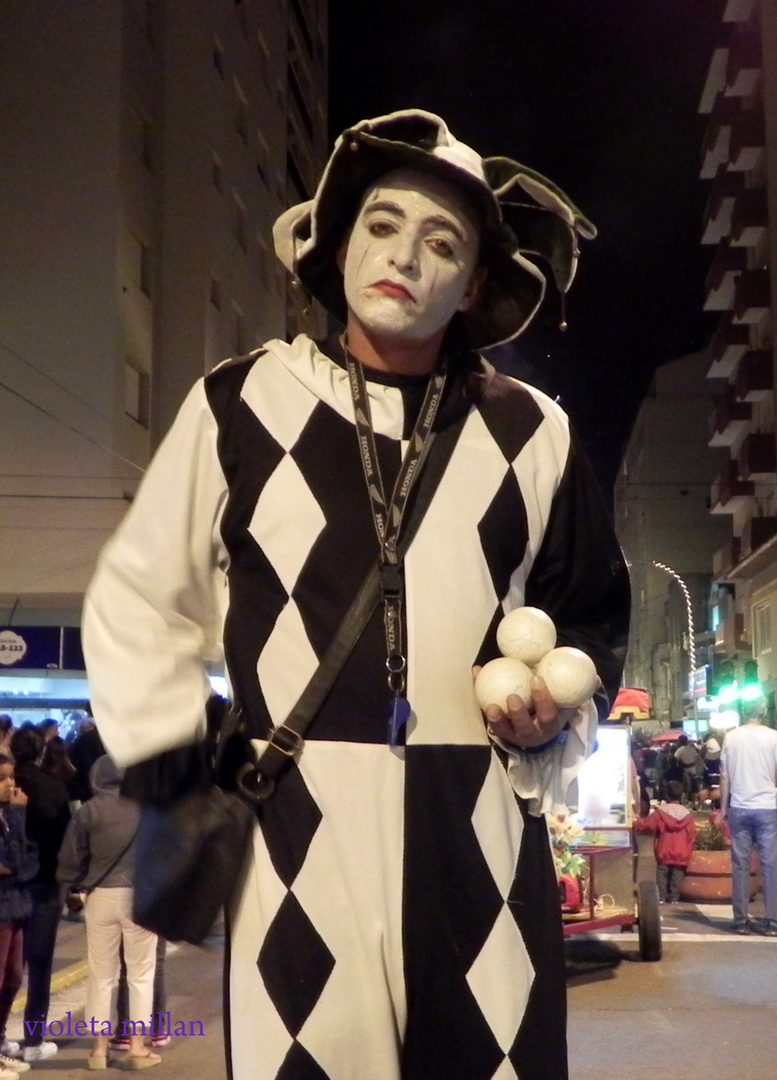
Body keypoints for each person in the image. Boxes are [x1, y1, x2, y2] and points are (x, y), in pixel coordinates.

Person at [82, 110, 630, 1080]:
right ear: (337, 243)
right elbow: (137, 600)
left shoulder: (533, 430)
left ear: (474, 290)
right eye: (383, 226)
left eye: (443, 243)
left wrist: (556, 709)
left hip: (483, 820)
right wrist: (176, 778)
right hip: (300, 818)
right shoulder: (239, 403)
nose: (405, 259)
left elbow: (589, 605)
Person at [57, 756, 160, 1069]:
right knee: (141, 974)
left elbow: (70, 857)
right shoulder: (146, 808)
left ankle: (98, 1051)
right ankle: (137, 1048)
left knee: (101, 976)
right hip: (140, 897)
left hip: (99, 897)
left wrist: (75, 884)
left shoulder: (88, 810)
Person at [8, 726, 71, 1065]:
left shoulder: (7, 785)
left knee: (7, 964)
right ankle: (33, 1037)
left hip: (9, 886)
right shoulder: (53, 788)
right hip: (47, 884)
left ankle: (3, 1036)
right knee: (40, 963)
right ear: (40, 750)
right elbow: (68, 842)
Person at [719, 700, 777, 936]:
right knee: (770, 866)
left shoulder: (731, 738)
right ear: (763, 713)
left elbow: (725, 776)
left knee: (740, 865)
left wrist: (723, 808)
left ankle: (741, 920)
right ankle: (772, 922)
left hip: (740, 806)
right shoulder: (774, 737)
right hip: (767, 807)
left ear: (743, 713)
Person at [0, 753, 38, 1079]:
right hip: (1, 907)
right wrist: (18, 815)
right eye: (3, 778)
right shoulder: (12, 814)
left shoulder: (8, 815)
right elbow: (12, 861)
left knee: (13, 978)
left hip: (17, 904)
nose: (11, 784)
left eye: (11, 776)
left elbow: (27, 860)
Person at [635, 780, 696, 902]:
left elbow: (647, 825)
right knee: (677, 874)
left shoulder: (661, 812)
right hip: (681, 851)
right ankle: (674, 897)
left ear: (666, 795)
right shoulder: (688, 815)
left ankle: (661, 896)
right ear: (682, 795)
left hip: (664, 848)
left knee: (662, 872)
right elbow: (692, 834)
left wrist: (636, 821)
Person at [673, 734, 702, 800]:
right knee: (694, 788)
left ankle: (685, 801)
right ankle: (694, 801)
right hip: (693, 771)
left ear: (679, 741)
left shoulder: (679, 750)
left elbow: (675, 760)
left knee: (685, 789)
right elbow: (697, 758)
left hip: (684, 772)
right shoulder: (692, 749)